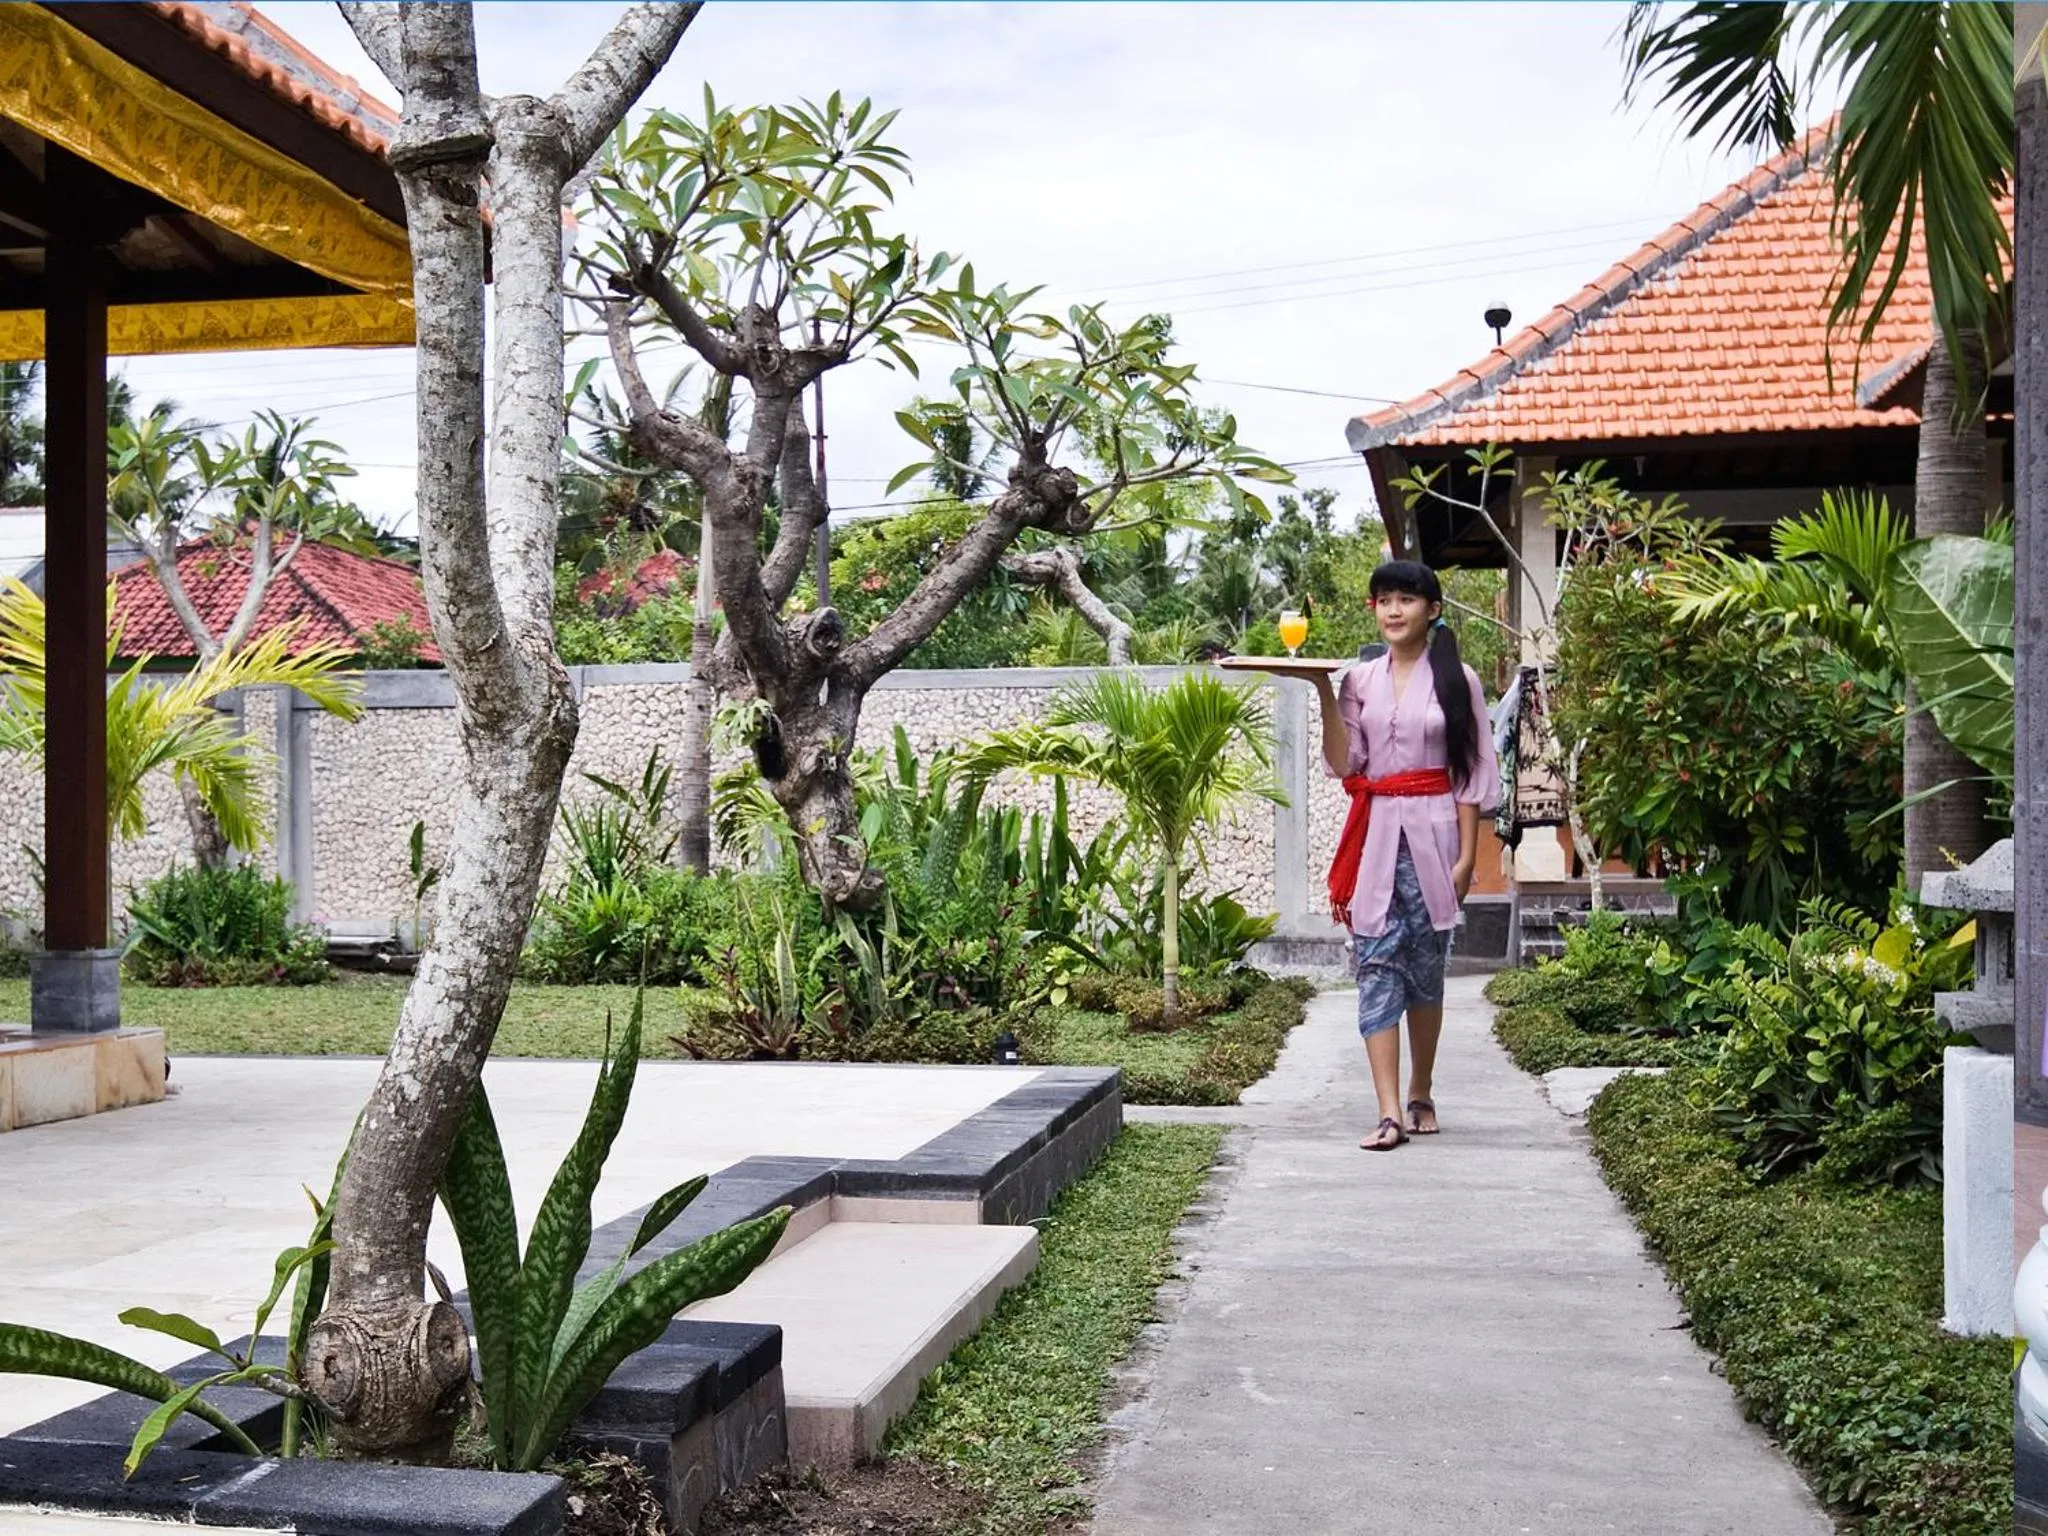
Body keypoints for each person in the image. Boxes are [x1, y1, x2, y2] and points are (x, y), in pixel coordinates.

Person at [1309, 560, 1500, 1151]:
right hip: (1376, 834)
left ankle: (1421, 1089)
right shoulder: (1358, 681)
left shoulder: (1457, 678)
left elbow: (1469, 770)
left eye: (1406, 600)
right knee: (1376, 962)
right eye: (1384, 600)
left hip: (1437, 833)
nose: (1393, 611)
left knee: (1425, 970)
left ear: (1432, 610)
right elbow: (1347, 764)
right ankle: (1389, 1111)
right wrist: (1321, 690)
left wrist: (1468, 858)